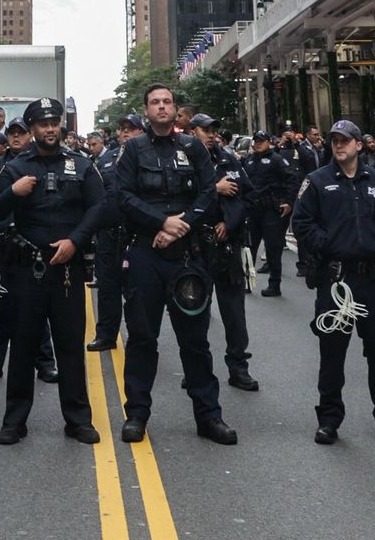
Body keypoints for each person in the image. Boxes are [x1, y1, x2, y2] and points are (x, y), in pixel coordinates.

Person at [115, 83, 237, 445]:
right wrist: (160, 222)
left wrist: (179, 224)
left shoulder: (193, 147)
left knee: (195, 341)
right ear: (146, 110)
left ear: (175, 109)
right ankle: (136, 415)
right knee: (141, 338)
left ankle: (208, 417)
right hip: (145, 255)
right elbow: (123, 197)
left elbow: (208, 192)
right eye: (155, 102)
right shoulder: (132, 150)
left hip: (188, 254)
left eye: (167, 101)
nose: (162, 107)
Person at [0, 97, 103, 444]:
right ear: (32, 129)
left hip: (67, 269)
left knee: (69, 346)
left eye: (54, 123)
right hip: (27, 270)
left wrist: (76, 241)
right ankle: (14, 421)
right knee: (22, 347)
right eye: (42, 124)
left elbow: (99, 206)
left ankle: (78, 419)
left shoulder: (80, 165)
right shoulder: (17, 167)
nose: (50, 129)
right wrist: (13, 193)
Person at [293, 120, 375, 445]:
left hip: (371, 280)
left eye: (345, 140)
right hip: (336, 281)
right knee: (332, 355)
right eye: (334, 140)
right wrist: (328, 244)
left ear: (360, 145)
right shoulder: (317, 182)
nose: (339, 145)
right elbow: (301, 222)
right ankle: (329, 420)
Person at [0, 118, 57, 382]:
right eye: (10, 133)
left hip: (32, 249)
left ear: (30, 135)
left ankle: (44, 362)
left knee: (37, 308)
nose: (15, 138)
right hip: (1, 245)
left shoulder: (41, 164)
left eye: (20, 133)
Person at [189, 114, 257, 391]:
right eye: (205, 130)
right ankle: (196, 369)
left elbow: (248, 196)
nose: (210, 134)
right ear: (193, 132)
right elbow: (177, 198)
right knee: (194, 312)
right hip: (195, 246)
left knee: (234, 313)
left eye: (213, 129)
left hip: (226, 245)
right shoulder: (183, 159)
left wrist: (229, 223)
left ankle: (238, 367)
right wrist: (213, 189)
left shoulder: (227, 159)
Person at [87, 115, 144, 351]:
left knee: (137, 292)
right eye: (123, 129)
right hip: (109, 235)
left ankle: (140, 338)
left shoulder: (150, 157)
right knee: (108, 288)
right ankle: (106, 336)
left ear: (142, 132)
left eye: (132, 129)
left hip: (137, 235)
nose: (126, 133)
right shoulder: (106, 160)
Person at [242, 131, 292, 296]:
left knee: (272, 247)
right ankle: (247, 281)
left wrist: (288, 202)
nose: (258, 144)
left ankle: (275, 284)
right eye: (256, 141)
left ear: (268, 142)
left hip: (270, 209)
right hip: (252, 210)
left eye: (261, 141)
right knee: (250, 247)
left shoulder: (276, 159)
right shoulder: (249, 160)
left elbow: (292, 180)